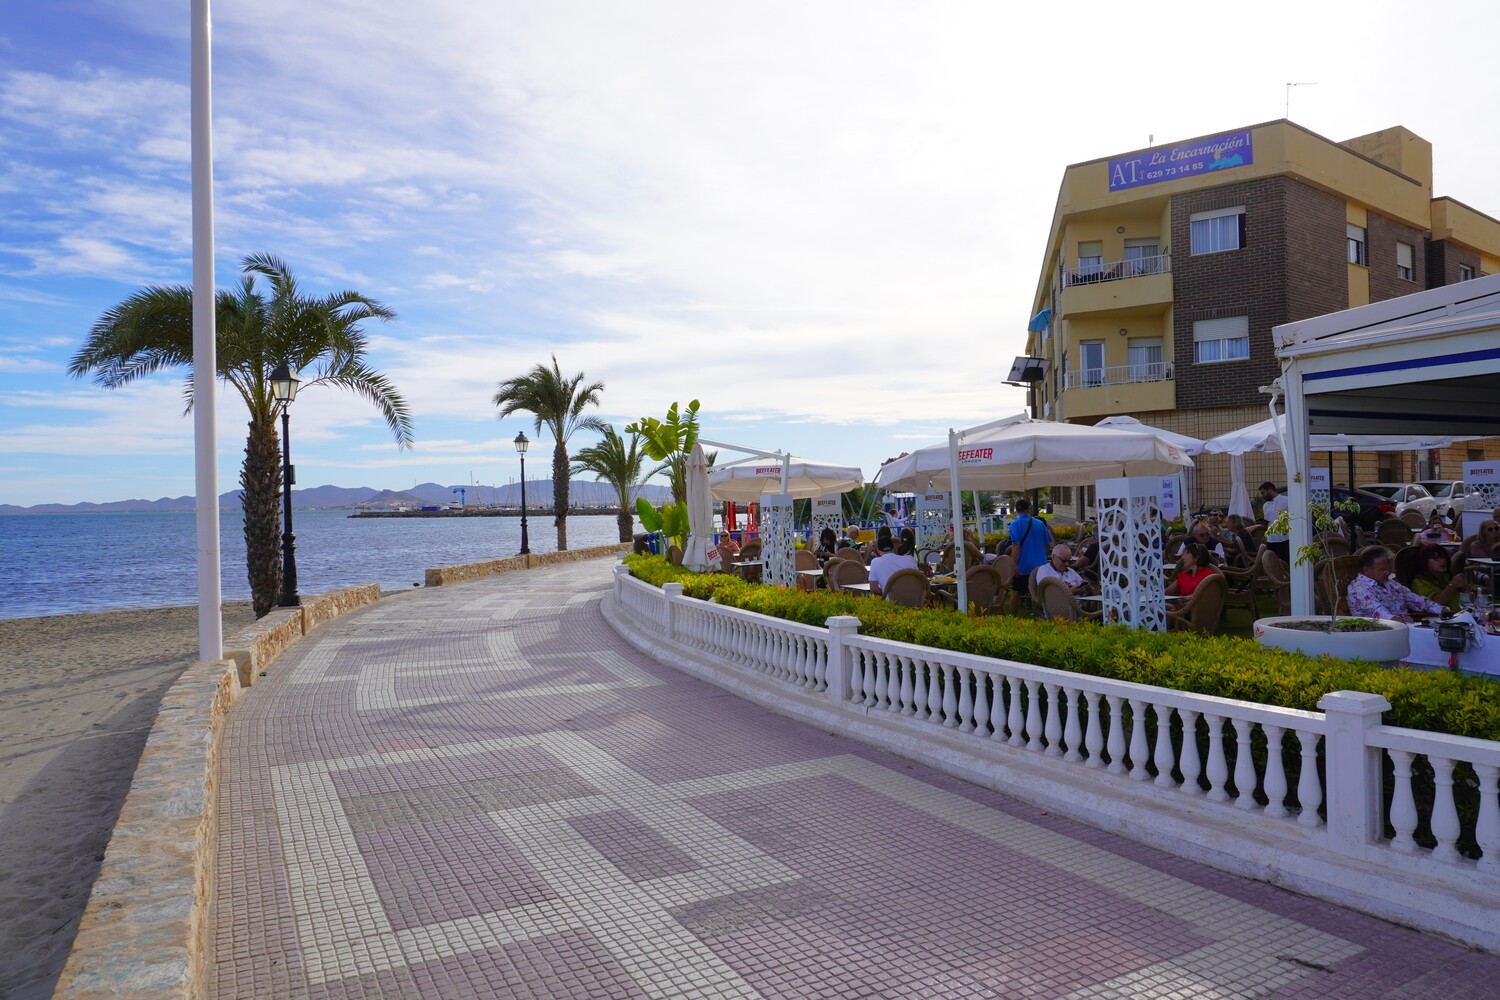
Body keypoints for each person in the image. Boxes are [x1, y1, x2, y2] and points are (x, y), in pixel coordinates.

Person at [1346, 545, 1445, 622]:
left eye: (1389, 569)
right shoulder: (1359, 589)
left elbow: (1414, 599)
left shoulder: (1390, 584)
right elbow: (1378, 611)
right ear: (1366, 569)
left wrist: (1441, 610)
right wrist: (1398, 620)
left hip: (1405, 628)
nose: (1388, 573)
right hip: (1381, 632)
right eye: (1382, 570)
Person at [1005, 498, 1053, 614]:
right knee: (1036, 593)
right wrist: (1043, 556)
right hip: (1040, 565)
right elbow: (1048, 544)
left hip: (1023, 565)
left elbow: (1016, 546)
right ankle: (1038, 617)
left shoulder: (1014, 525)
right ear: (1029, 509)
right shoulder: (1040, 523)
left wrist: (1014, 564)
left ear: (1016, 510)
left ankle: (1013, 617)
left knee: (1016, 591)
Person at [1400, 543, 1471, 612]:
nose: (1442, 561)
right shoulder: (1419, 582)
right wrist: (1452, 585)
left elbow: (1466, 602)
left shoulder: (1447, 577)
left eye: (1443, 557)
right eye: (1436, 558)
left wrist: (1465, 589)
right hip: (1443, 617)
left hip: (1464, 614)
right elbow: (1434, 605)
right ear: (1425, 561)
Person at [1259, 482, 1290, 565]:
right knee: (1274, 564)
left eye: (1263, 493)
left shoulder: (1286, 500)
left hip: (1285, 538)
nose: (1262, 496)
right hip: (1271, 539)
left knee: (1286, 562)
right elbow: (1267, 520)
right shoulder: (1265, 505)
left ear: (1270, 490)